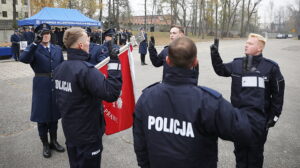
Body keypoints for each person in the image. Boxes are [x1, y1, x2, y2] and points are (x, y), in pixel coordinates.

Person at [133, 37, 265, 168]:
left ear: (167, 60)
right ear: (195, 62)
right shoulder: (209, 102)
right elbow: (249, 131)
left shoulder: (146, 98)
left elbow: (140, 144)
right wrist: (251, 87)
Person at [210, 33, 285, 168]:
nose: (246, 44)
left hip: (259, 122)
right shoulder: (237, 64)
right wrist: (214, 54)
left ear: (259, 49)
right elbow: (220, 70)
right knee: (240, 155)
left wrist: (273, 117)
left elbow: (278, 95)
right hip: (239, 120)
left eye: (250, 43)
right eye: (246, 42)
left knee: (255, 157)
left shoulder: (271, 68)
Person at [53, 27, 122, 168]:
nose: (89, 43)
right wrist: (114, 62)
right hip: (88, 135)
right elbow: (111, 93)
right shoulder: (87, 71)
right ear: (81, 45)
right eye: (87, 40)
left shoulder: (59, 69)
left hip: (70, 131)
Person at [19, 23, 65, 158]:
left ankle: (54, 141)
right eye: (43, 33)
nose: (46, 35)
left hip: (55, 84)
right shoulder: (34, 49)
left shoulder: (57, 49)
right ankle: (45, 144)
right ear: (38, 35)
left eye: (48, 33)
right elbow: (23, 59)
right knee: (42, 116)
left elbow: (62, 66)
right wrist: (34, 44)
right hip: (41, 85)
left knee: (54, 116)